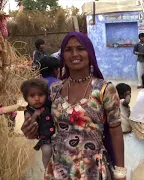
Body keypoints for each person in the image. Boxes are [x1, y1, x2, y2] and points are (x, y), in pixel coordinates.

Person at [21, 32, 126, 180]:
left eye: (80, 48)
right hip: (59, 169)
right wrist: (30, 131)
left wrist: (120, 171)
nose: (74, 54)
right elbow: (44, 122)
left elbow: (115, 130)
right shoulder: (54, 89)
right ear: (63, 55)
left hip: (92, 170)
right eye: (68, 49)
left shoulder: (104, 89)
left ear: (89, 53)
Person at [20, 79, 54, 168]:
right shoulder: (29, 111)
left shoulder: (49, 105)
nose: (37, 98)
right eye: (32, 96)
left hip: (57, 137)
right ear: (25, 98)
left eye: (41, 95)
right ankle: (47, 170)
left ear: (46, 95)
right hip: (45, 138)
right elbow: (30, 125)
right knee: (47, 151)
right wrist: (35, 115)